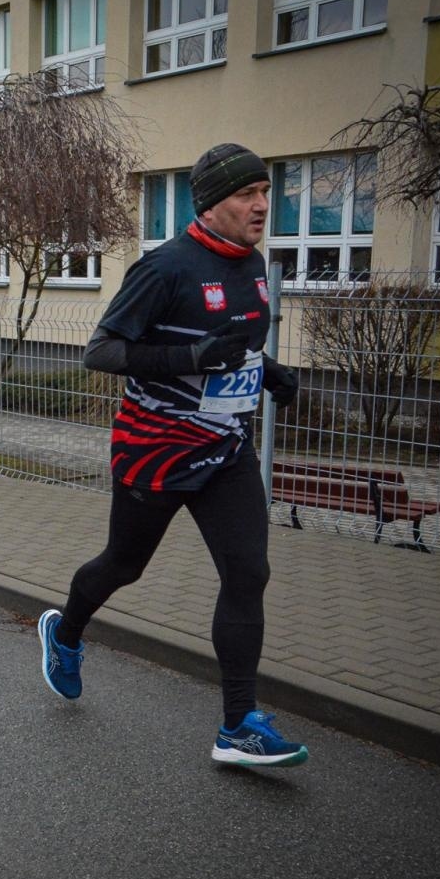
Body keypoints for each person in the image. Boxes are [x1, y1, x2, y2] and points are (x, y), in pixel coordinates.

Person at [36, 143, 306, 768]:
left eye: (266, 192)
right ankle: (67, 631)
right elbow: (100, 351)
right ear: (212, 204)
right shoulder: (165, 269)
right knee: (124, 565)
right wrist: (188, 359)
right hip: (154, 451)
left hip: (226, 449)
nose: (262, 205)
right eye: (247, 194)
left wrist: (269, 372)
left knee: (248, 574)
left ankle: (238, 725)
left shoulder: (253, 266)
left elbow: (231, 346)